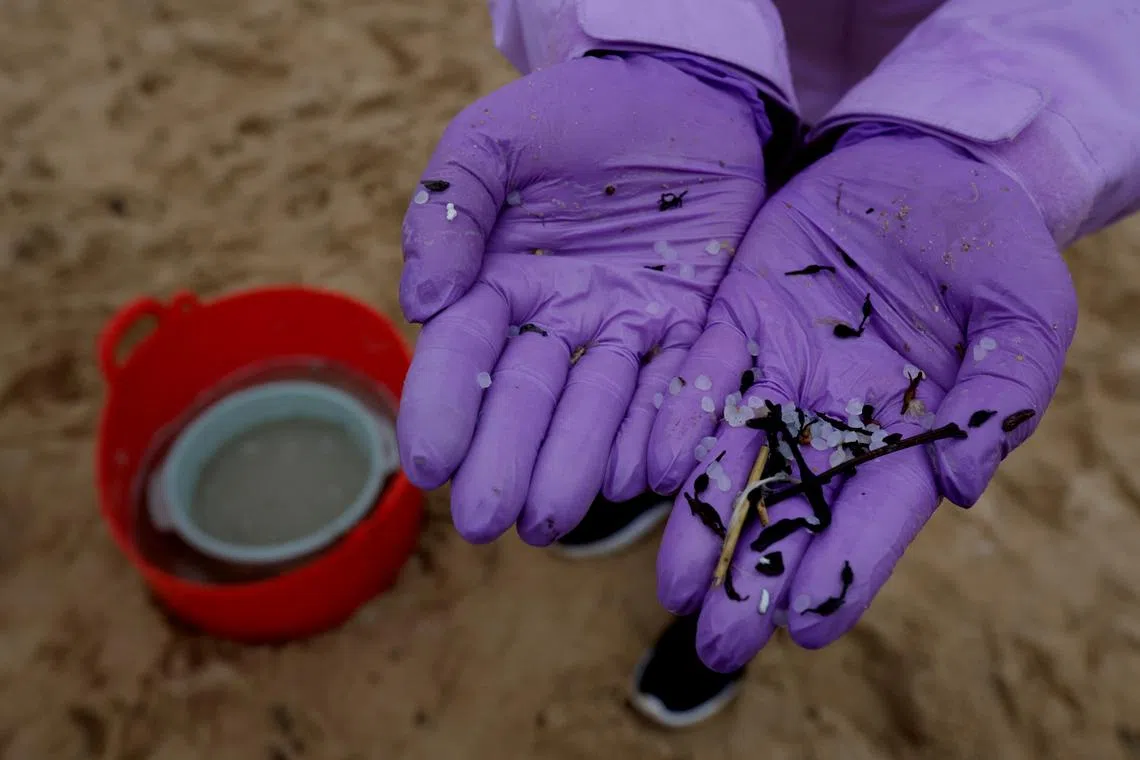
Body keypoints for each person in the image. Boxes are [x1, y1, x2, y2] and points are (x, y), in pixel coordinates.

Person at [396, 0, 1140, 729]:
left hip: (952, 132)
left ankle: (721, 610)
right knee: (693, 335)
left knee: (812, 428)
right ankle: (655, 478)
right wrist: (660, 36)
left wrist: (1005, 145)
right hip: (710, 97)